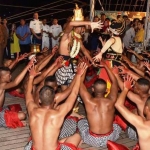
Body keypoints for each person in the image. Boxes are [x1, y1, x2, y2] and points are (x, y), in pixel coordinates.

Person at [24, 62, 87, 150]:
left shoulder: (32, 110)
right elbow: (74, 93)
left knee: (31, 143)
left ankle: (60, 141)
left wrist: (31, 76)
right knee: (77, 136)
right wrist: (78, 75)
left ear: (39, 100)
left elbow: (28, 93)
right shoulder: (59, 112)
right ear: (54, 99)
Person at [55, 4, 103, 91]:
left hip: (72, 64)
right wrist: (89, 23)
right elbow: (71, 23)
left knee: (75, 89)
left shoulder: (78, 38)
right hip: (62, 64)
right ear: (80, 27)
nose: (84, 30)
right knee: (65, 91)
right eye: (83, 27)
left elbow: (84, 51)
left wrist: (93, 62)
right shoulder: (67, 35)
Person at [78, 60, 121, 147]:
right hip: (110, 138)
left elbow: (80, 83)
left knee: (81, 122)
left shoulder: (88, 101)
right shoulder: (111, 100)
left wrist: (85, 68)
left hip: (92, 140)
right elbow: (115, 82)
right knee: (117, 124)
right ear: (106, 90)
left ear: (93, 89)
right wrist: (106, 66)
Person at [115, 75, 150, 150]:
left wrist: (126, 89)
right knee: (134, 111)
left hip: (139, 132)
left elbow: (118, 105)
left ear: (146, 108)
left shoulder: (142, 123)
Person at [0, 57, 35, 128]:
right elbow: (15, 82)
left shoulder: (1, 79)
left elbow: (6, 70)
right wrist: (27, 67)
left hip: (1, 109)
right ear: (3, 77)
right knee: (23, 115)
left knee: (16, 107)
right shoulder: (2, 86)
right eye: (9, 75)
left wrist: (16, 61)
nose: (11, 76)